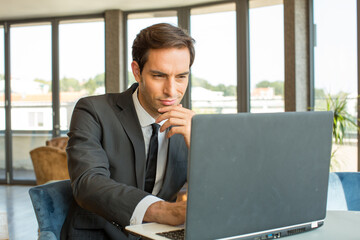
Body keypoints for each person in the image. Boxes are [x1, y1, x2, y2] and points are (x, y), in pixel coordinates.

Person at [60, 23, 196, 240]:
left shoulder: (191, 126)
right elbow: (88, 183)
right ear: (137, 72)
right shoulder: (93, 110)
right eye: (159, 76)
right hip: (99, 234)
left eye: (181, 77)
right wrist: (163, 211)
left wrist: (200, 146)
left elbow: (223, 195)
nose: (172, 90)